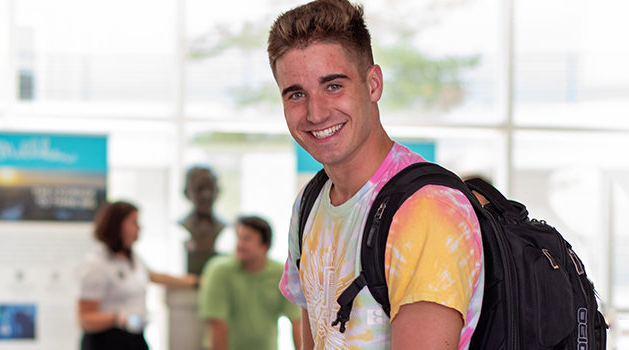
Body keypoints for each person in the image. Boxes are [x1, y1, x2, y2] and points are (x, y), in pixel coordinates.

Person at [268, 1, 484, 349]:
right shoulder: (309, 203)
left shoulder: (426, 211)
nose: (316, 112)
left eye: (333, 86)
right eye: (296, 94)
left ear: (373, 84)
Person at [77, 201, 198, 350]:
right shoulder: (97, 264)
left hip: (134, 338)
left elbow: (154, 276)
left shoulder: (132, 258)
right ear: (118, 225)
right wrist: (117, 318)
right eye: (134, 222)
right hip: (107, 340)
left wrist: (194, 281)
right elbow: (85, 319)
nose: (139, 228)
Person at [198, 216, 301, 350]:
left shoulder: (283, 274)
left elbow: (297, 322)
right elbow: (217, 324)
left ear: (265, 245)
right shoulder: (219, 271)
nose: (239, 244)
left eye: (247, 239)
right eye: (238, 238)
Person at [179, 166, 226, 275]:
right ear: (187, 192)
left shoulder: (223, 227)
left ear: (217, 191)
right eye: (200, 189)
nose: (206, 195)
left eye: (210, 188)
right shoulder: (183, 226)